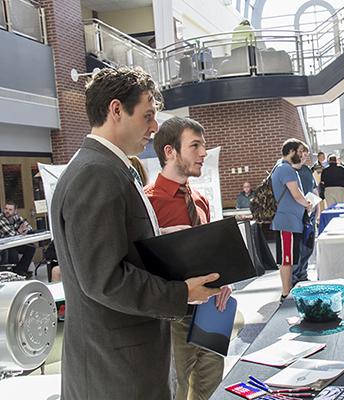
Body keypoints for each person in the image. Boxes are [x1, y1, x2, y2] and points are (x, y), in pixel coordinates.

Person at [50, 66, 223, 400]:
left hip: (124, 362)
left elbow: (120, 251)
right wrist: (179, 293)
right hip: (115, 371)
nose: (155, 128)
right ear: (116, 110)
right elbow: (104, 279)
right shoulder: (96, 173)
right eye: (147, 116)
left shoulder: (108, 168)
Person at [145, 116, 232, 400]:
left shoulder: (200, 200)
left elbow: (209, 253)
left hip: (211, 311)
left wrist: (225, 280)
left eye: (203, 146)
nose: (204, 153)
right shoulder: (147, 203)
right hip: (173, 315)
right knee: (176, 389)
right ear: (170, 151)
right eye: (195, 146)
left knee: (210, 387)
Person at [271, 139, 312, 301]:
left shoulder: (284, 168)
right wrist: (307, 204)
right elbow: (296, 194)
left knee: (289, 259)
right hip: (286, 222)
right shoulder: (285, 169)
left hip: (290, 221)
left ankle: (287, 292)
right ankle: (286, 293)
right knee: (286, 259)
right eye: (300, 151)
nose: (302, 155)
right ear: (290, 151)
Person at [292, 145, 319, 286]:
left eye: (305, 153)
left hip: (311, 213)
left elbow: (314, 190)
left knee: (308, 247)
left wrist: (318, 210)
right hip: (297, 215)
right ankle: (295, 277)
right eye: (301, 152)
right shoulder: (288, 171)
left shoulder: (307, 170)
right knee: (298, 248)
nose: (304, 155)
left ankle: (303, 274)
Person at [0, 201, 35, 276]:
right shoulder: (1, 219)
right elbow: (12, 234)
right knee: (12, 250)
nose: (7, 211)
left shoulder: (16, 216)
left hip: (14, 242)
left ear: (15, 211)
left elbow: (29, 227)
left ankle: (20, 270)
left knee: (31, 247)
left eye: (10, 210)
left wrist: (24, 230)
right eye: (6, 209)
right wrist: (19, 232)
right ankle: (14, 273)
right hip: (4, 245)